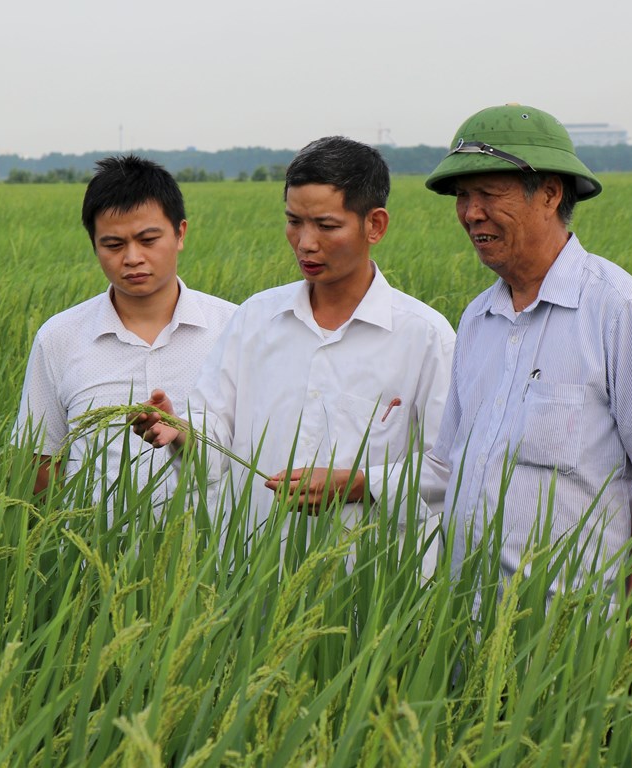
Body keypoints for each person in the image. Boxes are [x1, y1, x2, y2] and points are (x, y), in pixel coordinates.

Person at [424, 104, 632, 639]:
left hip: (576, 636)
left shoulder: (618, 310)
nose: (471, 213)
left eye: (489, 194)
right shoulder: (478, 319)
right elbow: (451, 465)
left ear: (550, 193)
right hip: (469, 633)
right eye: (462, 197)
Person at [134, 137, 455, 570]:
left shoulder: (425, 337)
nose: (305, 243)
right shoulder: (256, 320)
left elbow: (451, 468)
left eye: (326, 225)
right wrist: (181, 432)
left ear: (374, 225)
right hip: (253, 576)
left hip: (371, 585)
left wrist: (358, 484)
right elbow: (214, 437)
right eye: (293, 221)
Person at [12, 154, 236, 517]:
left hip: (215, 560)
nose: (132, 258)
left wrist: (184, 434)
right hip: (93, 562)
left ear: (180, 233)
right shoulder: (60, 337)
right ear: (94, 245)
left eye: (148, 239)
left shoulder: (233, 327)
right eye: (113, 245)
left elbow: (257, 450)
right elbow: (39, 461)